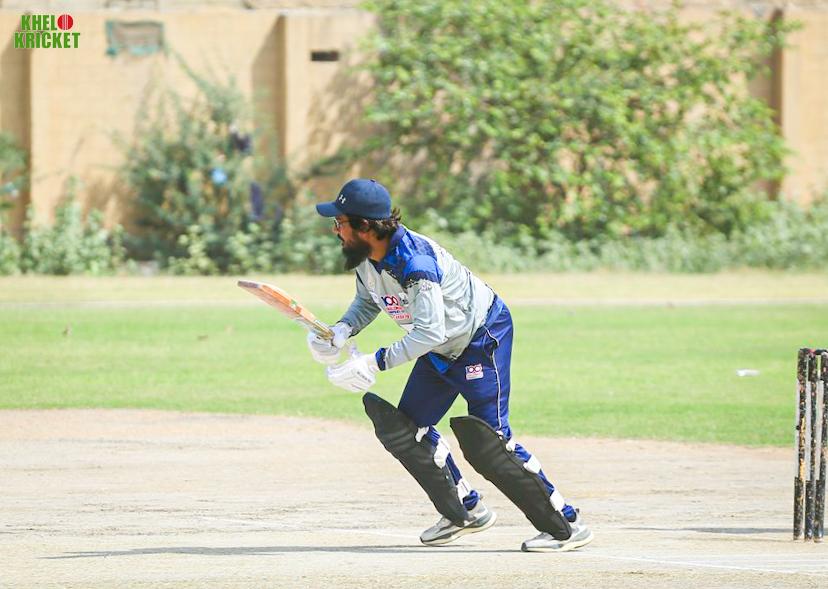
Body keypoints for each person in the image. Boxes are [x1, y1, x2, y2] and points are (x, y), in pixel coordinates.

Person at [307, 178, 594, 552]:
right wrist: (342, 329)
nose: (335, 230)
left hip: (480, 339)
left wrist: (375, 363)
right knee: (404, 431)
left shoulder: (415, 263)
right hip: (440, 344)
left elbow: (429, 332)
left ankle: (566, 525)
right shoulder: (366, 257)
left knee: (490, 443)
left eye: (340, 222)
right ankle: (465, 511)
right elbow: (369, 301)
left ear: (364, 226)